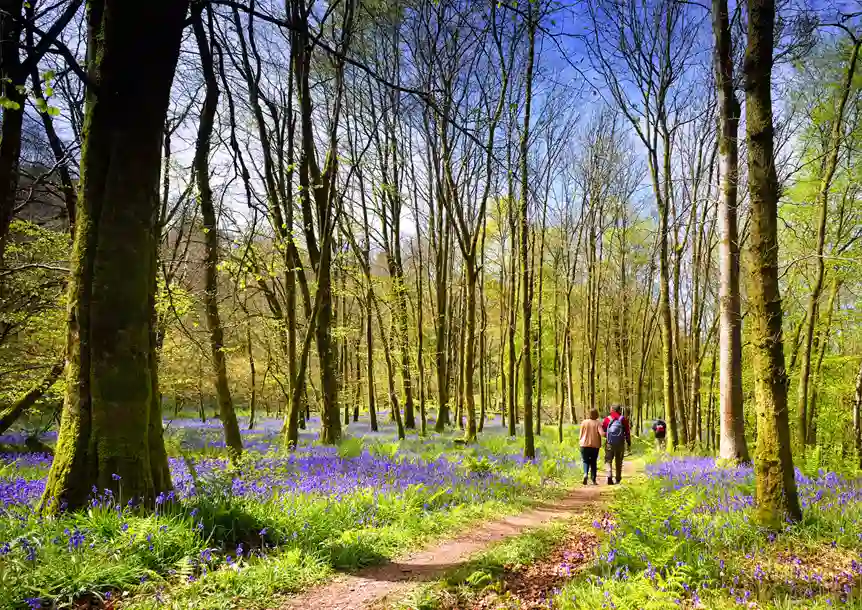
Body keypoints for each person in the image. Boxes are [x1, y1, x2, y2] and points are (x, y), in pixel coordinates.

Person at [602, 404, 631, 485]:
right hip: (620, 443)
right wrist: (628, 441)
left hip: (609, 443)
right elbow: (627, 431)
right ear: (619, 410)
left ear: (612, 410)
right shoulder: (623, 419)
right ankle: (618, 478)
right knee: (618, 461)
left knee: (608, 460)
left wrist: (607, 436)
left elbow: (603, 431)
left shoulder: (607, 419)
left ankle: (609, 475)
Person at [579, 408, 602, 485]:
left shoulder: (584, 422)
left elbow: (580, 435)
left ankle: (585, 474)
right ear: (597, 415)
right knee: (593, 462)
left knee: (585, 460)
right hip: (595, 446)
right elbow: (601, 433)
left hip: (584, 445)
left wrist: (581, 441)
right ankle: (593, 480)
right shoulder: (598, 423)